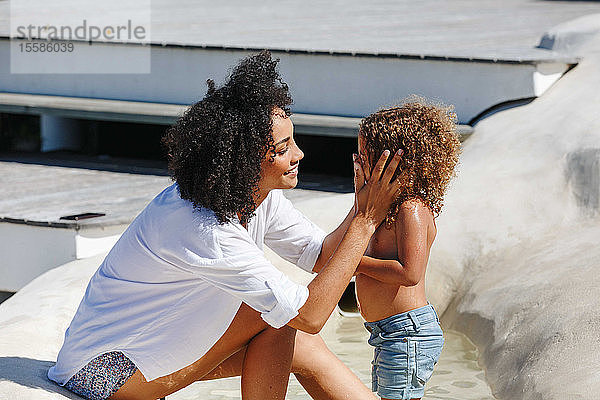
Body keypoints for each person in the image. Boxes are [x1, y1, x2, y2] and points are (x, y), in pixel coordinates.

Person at [47, 51, 404, 400]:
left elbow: (323, 256)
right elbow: (310, 314)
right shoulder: (203, 229)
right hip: (102, 373)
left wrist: (362, 201)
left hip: (143, 354)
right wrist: (367, 219)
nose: (299, 154)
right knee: (280, 317)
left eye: (294, 140)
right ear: (245, 162)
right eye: (282, 149)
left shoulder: (258, 199)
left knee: (297, 339)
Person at [353, 98, 461, 400]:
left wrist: (355, 264)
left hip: (408, 333)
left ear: (397, 163)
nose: (358, 162)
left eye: (365, 156)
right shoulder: (384, 210)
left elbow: (410, 272)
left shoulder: (410, 210)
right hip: (387, 333)